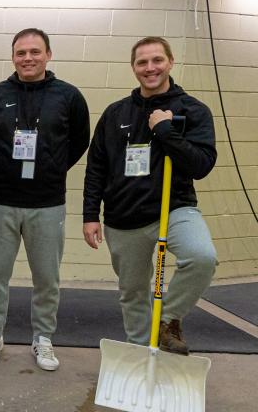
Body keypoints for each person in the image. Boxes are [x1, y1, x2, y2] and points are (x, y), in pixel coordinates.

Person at [83, 36, 218, 356]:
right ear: (133, 68)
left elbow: (201, 165)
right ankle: (141, 355)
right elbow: (96, 166)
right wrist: (90, 214)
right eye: (142, 62)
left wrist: (165, 131)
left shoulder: (192, 110)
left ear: (170, 62)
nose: (150, 68)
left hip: (175, 208)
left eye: (157, 60)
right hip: (123, 215)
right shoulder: (116, 113)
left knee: (201, 257)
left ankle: (168, 319)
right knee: (133, 293)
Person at [0, 28, 90, 371]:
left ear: (48, 55)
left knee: (47, 276)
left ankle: (43, 338)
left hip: (47, 203)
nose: (28, 58)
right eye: (21, 52)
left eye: (35, 52)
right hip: (1, 201)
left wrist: (51, 168)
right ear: (13, 57)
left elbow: (79, 140)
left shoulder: (68, 96)